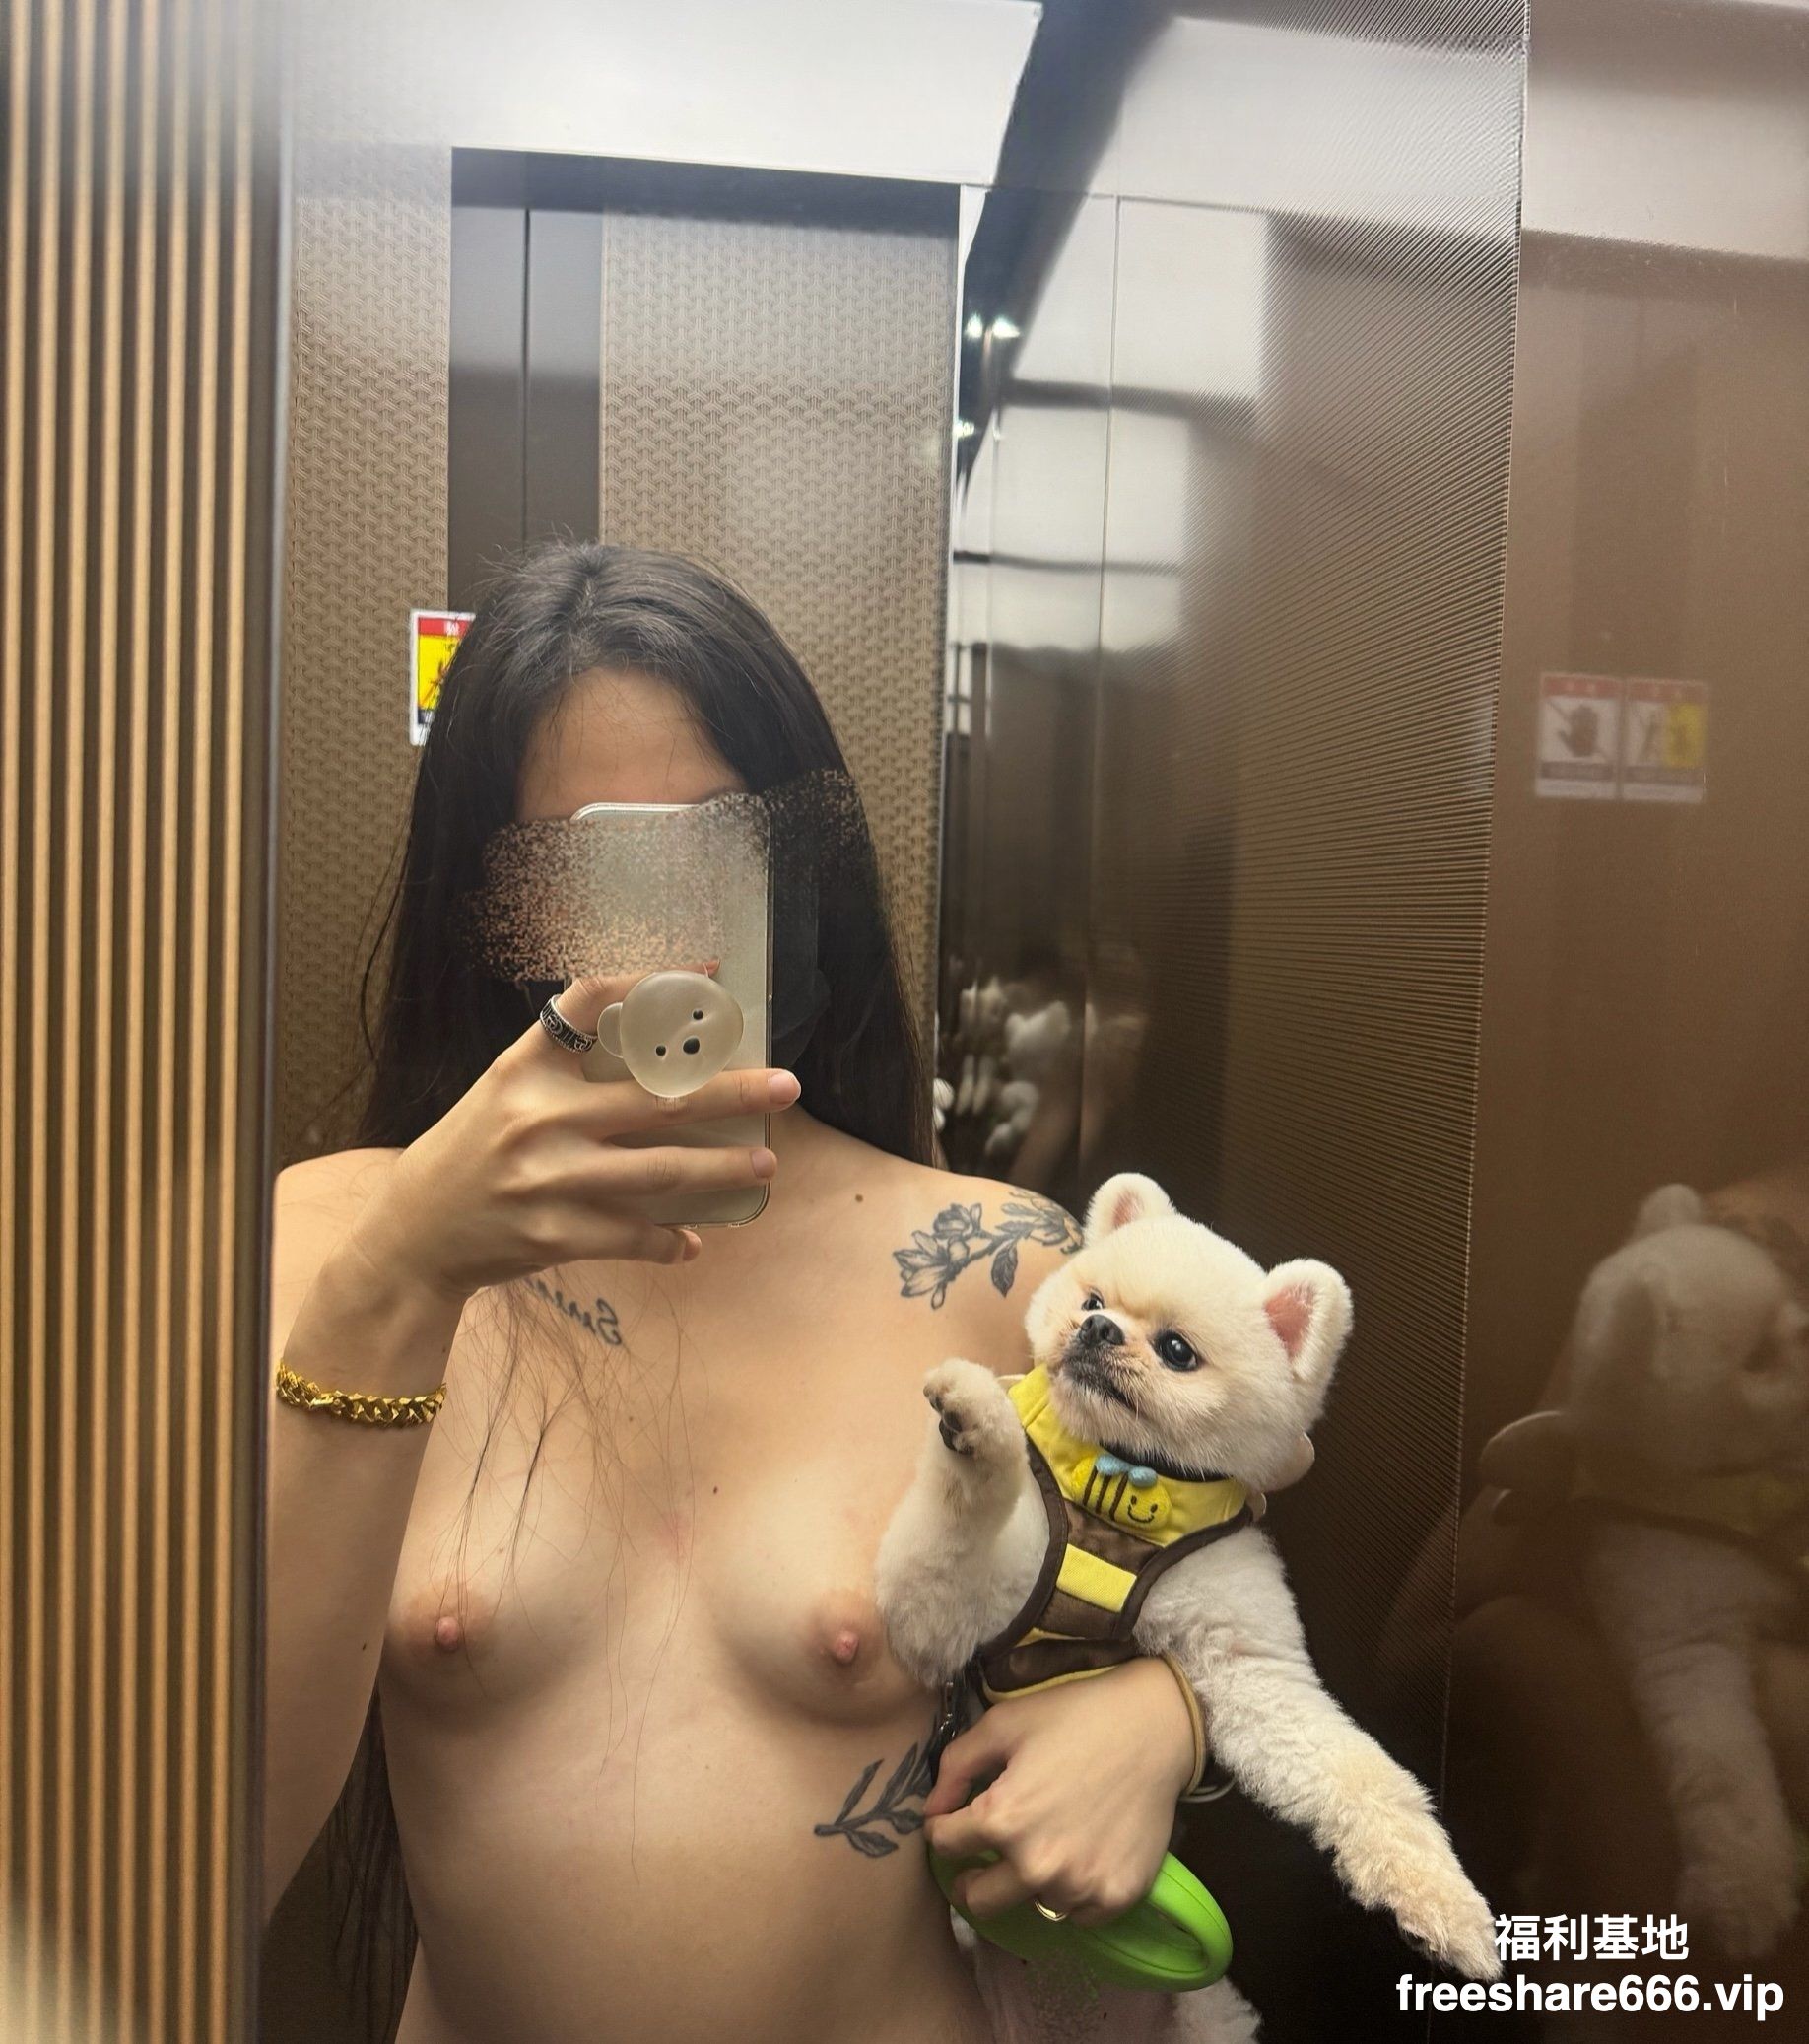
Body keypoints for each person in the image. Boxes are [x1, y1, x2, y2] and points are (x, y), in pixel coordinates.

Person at [266, 543, 1207, 2044]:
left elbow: (1218, 1587)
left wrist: (1170, 1720)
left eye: (724, 850)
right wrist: (406, 1271)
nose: (673, 930)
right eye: (594, 867)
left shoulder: (1002, 1264)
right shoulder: (335, 1247)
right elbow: (211, 1849)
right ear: (493, 905)